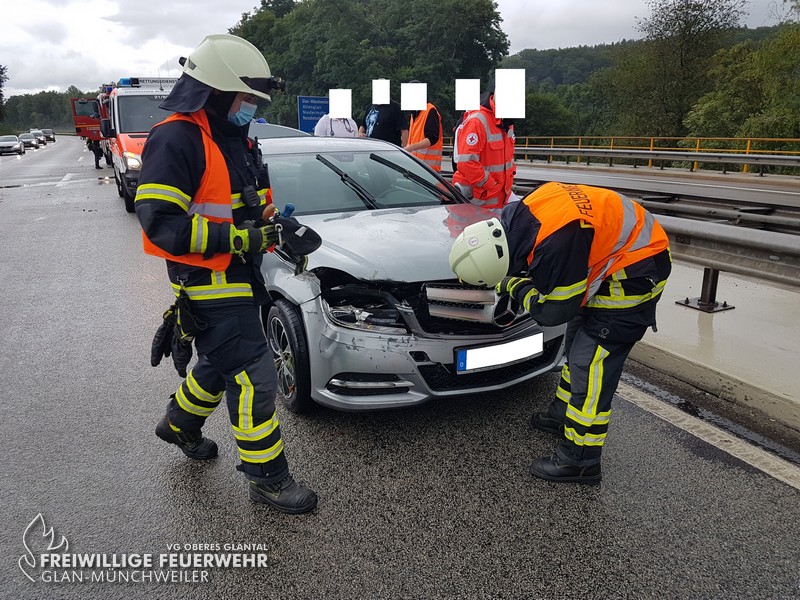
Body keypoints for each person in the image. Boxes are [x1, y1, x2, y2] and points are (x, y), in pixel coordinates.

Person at [134, 33, 318, 513]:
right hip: (208, 280)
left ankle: (178, 424)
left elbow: (245, 204)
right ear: (215, 91)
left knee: (222, 361)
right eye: (246, 98)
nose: (251, 107)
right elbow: (161, 224)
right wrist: (239, 239)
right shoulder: (176, 138)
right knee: (254, 376)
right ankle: (268, 479)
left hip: (240, 274)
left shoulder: (234, 137)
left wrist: (273, 224)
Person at [449, 181, 672, 484]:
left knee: (590, 365)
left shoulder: (556, 246)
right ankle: (563, 414)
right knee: (576, 342)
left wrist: (515, 287)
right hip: (614, 256)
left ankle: (581, 459)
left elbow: (552, 313)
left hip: (634, 271)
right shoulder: (517, 216)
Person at [451, 87, 515, 209]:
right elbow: (466, 163)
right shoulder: (478, 121)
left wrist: (509, 178)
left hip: (498, 199)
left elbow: (509, 157)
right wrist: (491, 185)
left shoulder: (506, 122)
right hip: (477, 201)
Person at [402, 85, 443, 172]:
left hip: (428, 169)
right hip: (416, 167)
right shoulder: (414, 114)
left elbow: (432, 138)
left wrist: (410, 148)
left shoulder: (430, 110)